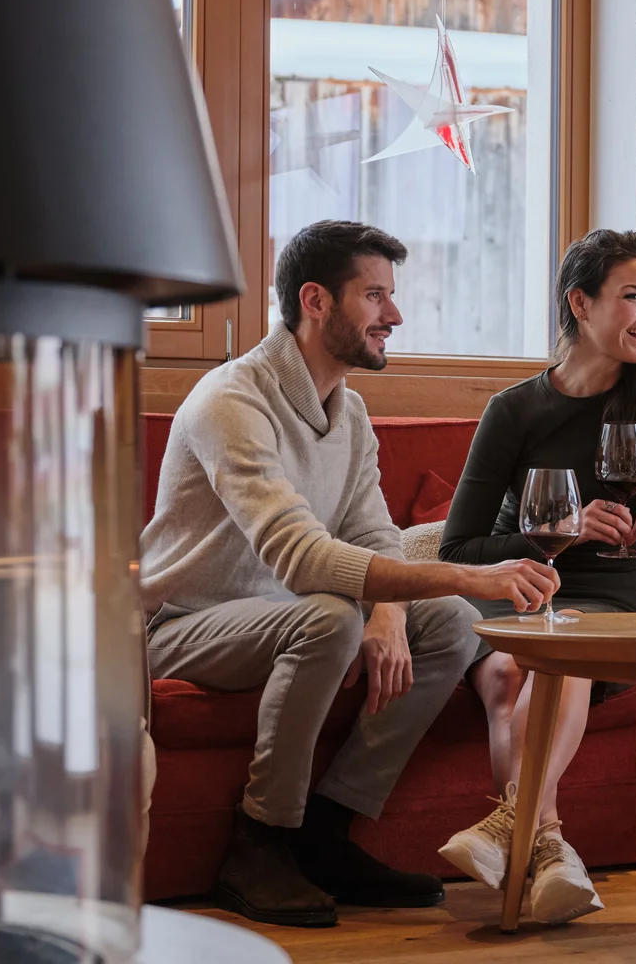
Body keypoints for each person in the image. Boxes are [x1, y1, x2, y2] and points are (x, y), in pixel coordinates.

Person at [141, 219, 562, 928]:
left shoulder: (351, 410)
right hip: (179, 624)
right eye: (374, 296)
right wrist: (465, 576)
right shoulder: (231, 401)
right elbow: (302, 557)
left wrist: (392, 611)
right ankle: (260, 840)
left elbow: (373, 534)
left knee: (450, 624)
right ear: (316, 301)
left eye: (390, 295)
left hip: (284, 613)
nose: (394, 314)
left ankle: (325, 831)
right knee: (335, 616)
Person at [436, 229, 636, 924]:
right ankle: (549, 850)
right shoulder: (514, 411)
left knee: (555, 658)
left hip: (607, 598)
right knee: (508, 674)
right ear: (580, 303)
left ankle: (512, 833)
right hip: (519, 590)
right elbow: (460, 547)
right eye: (634, 296)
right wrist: (560, 529)